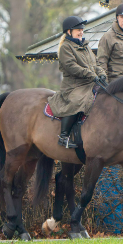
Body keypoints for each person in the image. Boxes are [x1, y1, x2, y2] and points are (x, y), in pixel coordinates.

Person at [48, 16, 106, 148]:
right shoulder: (65, 48)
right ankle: (64, 137)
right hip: (74, 86)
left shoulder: (85, 46)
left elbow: (96, 63)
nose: (81, 32)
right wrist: (91, 74)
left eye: (82, 29)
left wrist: (101, 74)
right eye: (78, 30)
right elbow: (72, 67)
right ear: (69, 32)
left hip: (90, 82)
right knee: (77, 101)